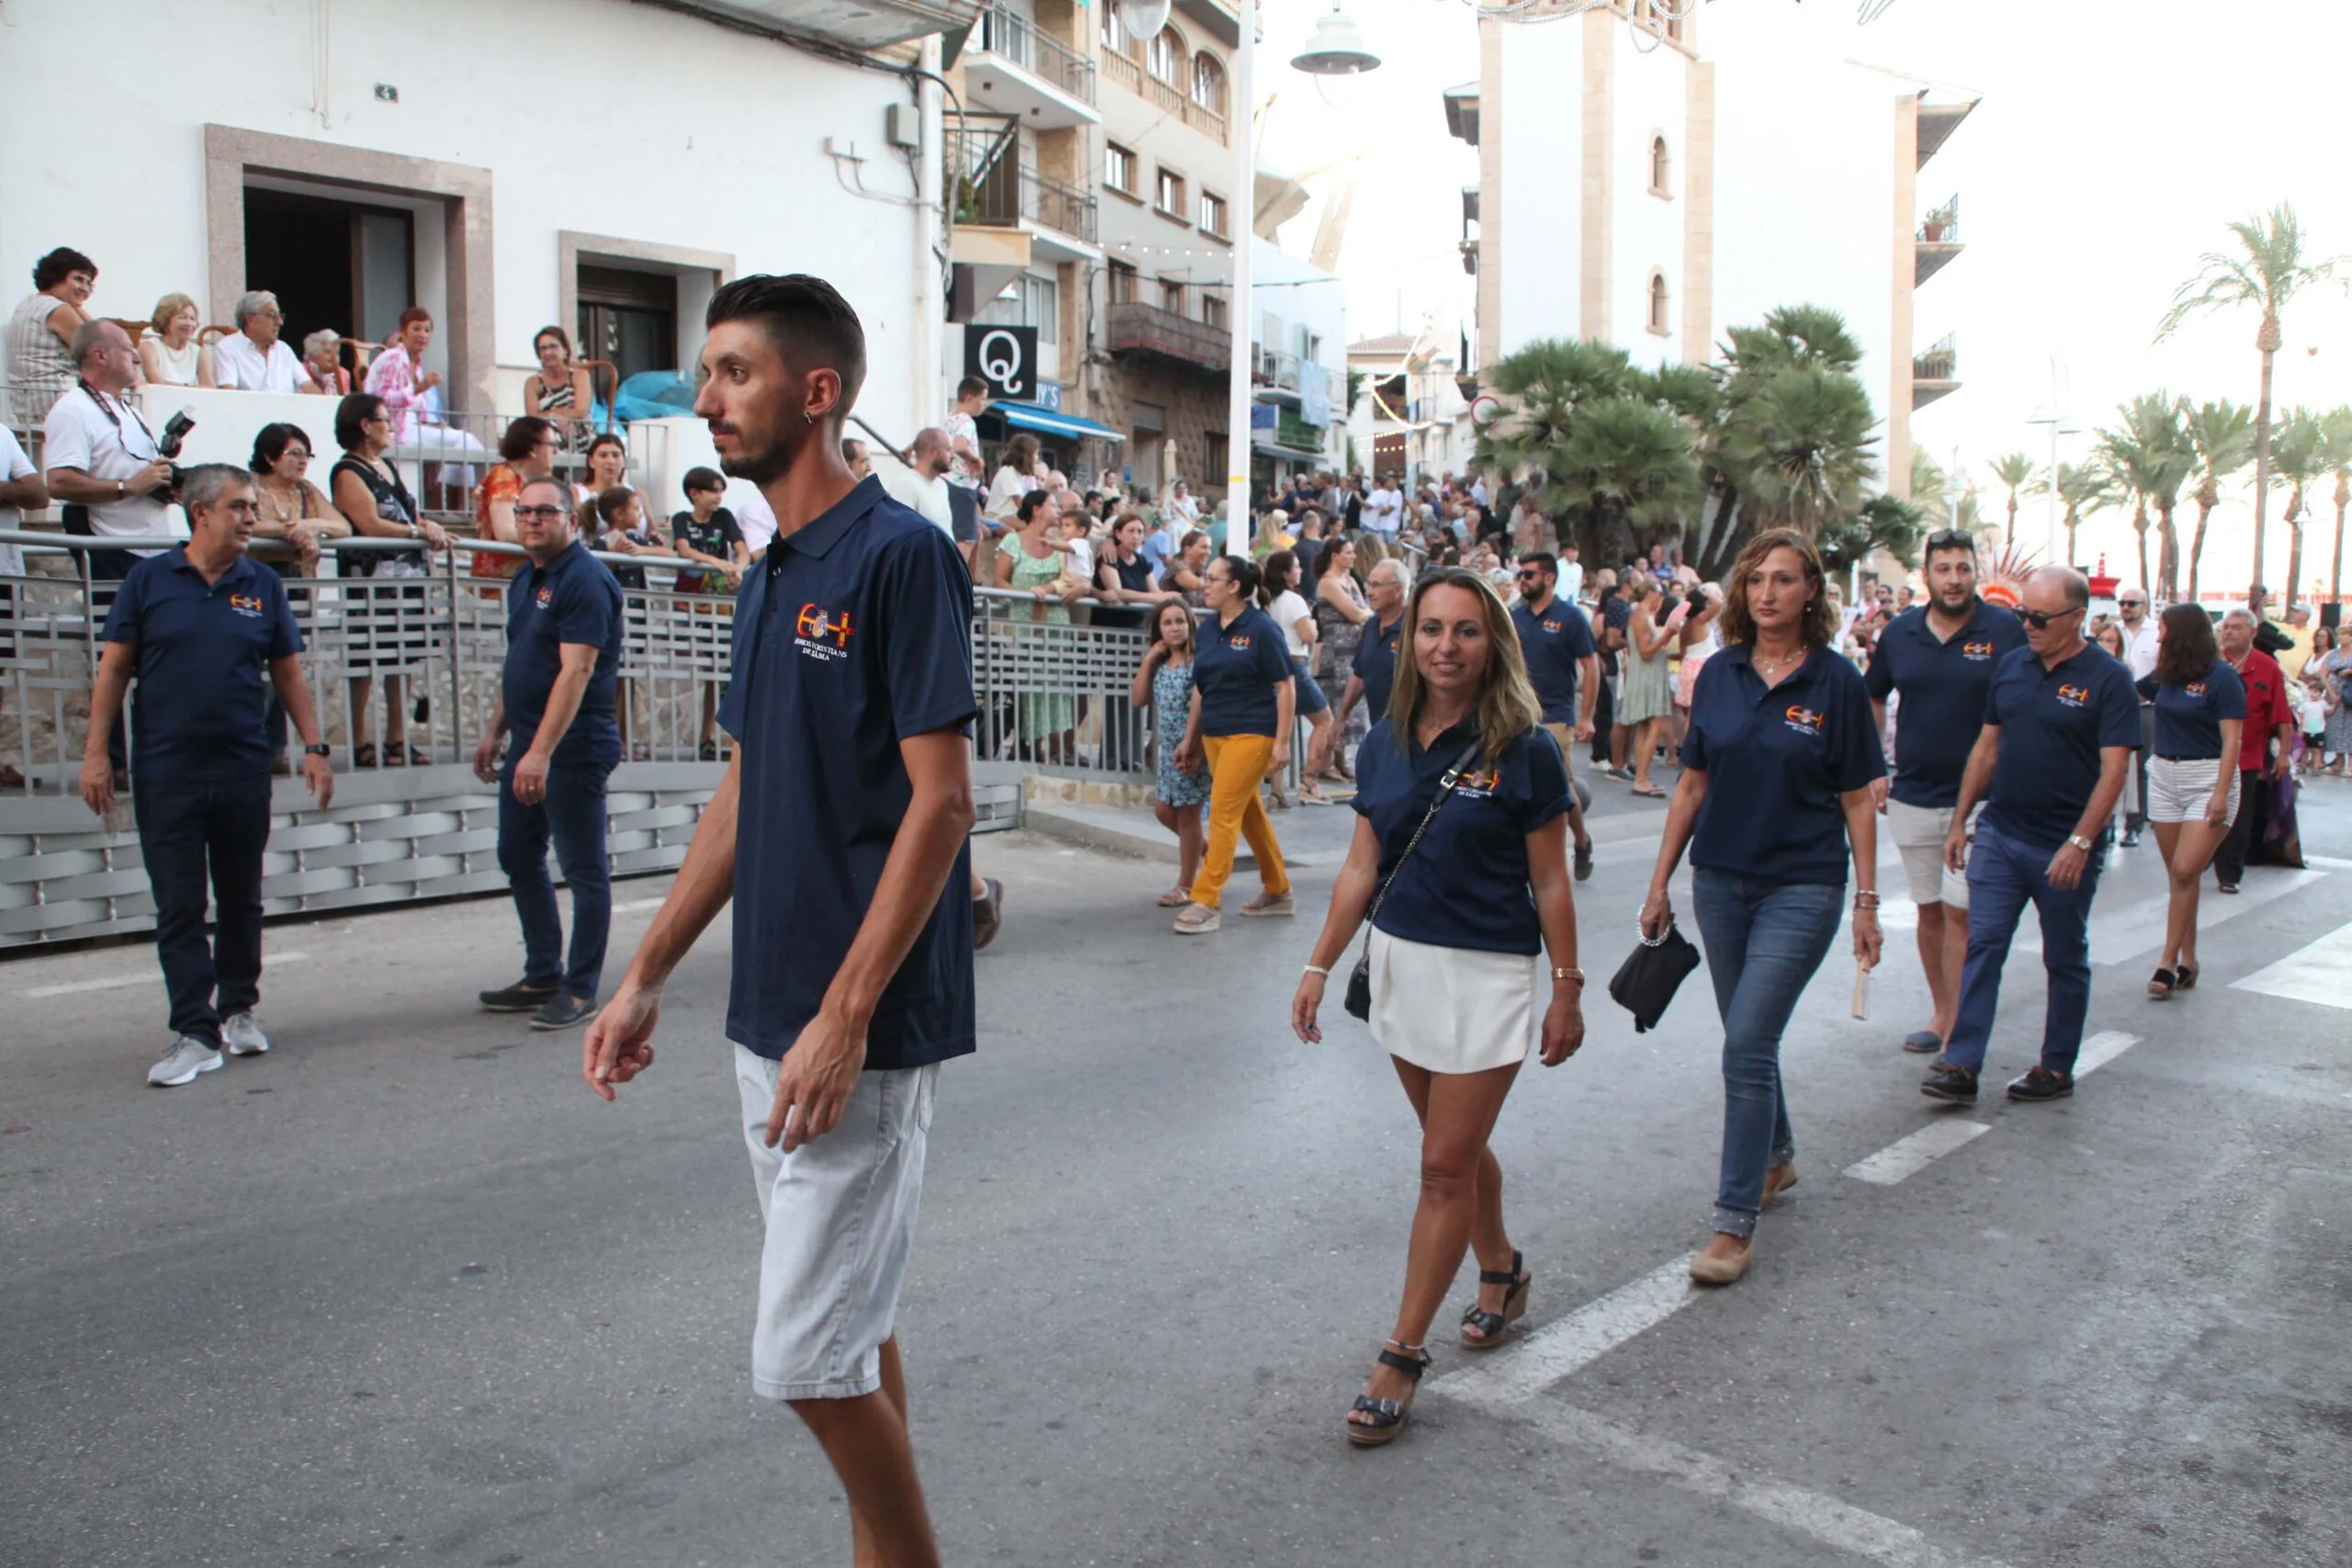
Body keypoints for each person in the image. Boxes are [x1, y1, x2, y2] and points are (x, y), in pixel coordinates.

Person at [582, 274, 977, 1568]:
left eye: (733, 372)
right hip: (766, 1013)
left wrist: (847, 1015)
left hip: (852, 1028)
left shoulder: (900, 554)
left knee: (803, 1359)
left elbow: (941, 803)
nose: (704, 399)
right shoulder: (767, 573)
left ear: (817, 393)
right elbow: (744, 795)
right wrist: (645, 971)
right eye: (705, 372)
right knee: (848, 1330)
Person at [1291, 567, 1584, 1446]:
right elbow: (1359, 868)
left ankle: (1402, 1353)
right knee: (1450, 1151)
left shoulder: (1524, 745)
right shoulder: (1383, 741)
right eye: (1430, 629)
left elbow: (1550, 878)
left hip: (1489, 972)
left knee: (1441, 1167)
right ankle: (1500, 1265)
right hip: (1402, 962)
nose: (1445, 646)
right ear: (1408, 638)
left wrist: (1566, 988)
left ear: (1492, 640)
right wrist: (1317, 963)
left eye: (1463, 629)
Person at [1640, 529, 1884, 1285]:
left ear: (1812, 590)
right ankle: (1776, 1157)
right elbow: (1691, 785)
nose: (1769, 592)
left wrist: (1866, 901)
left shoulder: (1837, 682)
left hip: (1803, 886)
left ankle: (1732, 1221)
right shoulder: (1717, 674)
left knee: (1745, 1042)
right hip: (1719, 882)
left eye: (1785, 580)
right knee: (1749, 1038)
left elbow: (1856, 798)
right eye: (1757, 581)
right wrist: (1660, 883)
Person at [78, 465, 335, 1087]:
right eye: (241, 507)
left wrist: (315, 745)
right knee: (180, 903)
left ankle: (238, 1008)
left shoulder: (263, 584)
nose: (253, 518)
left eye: (253, 507)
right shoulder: (147, 580)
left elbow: (288, 671)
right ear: (201, 513)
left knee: (241, 894)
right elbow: (112, 672)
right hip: (166, 769)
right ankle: (195, 1031)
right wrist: (95, 754)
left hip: (243, 765)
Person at [1922, 567, 2140, 1107]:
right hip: (2000, 832)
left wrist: (2081, 843)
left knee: (2063, 956)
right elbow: (1987, 746)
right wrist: (1961, 819)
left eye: (2040, 618)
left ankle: (2056, 1066)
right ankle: (1961, 1062)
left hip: (2064, 844)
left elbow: (2114, 772)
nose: (2028, 626)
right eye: (2023, 615)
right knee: (1983, 943)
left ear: (2076, 617)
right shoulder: (2013, 665)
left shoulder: (2108, 679)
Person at [1862, 529, 2027, 1056]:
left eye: (1963, 568)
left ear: (1975, 571)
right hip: (1912, 794)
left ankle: (1959, 1021)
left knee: (1962, 912)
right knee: (1929, 910)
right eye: (1944, 569)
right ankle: (1942, 1010)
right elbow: (1873, 695)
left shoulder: (2006, 630)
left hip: (1982, 801)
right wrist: (1875, 768)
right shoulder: (1901, 633)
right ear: (1926, 575)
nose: (1954, 579)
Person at [469, 478, 624, 1031]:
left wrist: (540, 753)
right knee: (517, 854)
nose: (532, 520)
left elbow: (576, 670)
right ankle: (542, 971)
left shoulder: (585, 580)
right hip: (529, 743)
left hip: (572, 748)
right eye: (524, 511)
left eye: (545, 512)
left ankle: (580, 988)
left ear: (571, 521)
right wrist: (496, 730)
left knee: (583, 868)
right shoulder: (526, 579)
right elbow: (523, 664)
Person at [1171, 555, 1296, 934]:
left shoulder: (1262, 629)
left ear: (1234, 586)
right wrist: (1190, 738)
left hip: (1252, 732)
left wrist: (1282, 742)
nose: (1203, 584)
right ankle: (1278, 890)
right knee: (1248, 814)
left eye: (1212, 578)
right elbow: (1201, 688)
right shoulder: (1208, 629)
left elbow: (1285, 686)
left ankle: (1206, 898)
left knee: (1223, 812)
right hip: (1215, 733)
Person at [330, 391, 451, 766]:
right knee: (367, 657)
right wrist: (416, 534)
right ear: (365, 426)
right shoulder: (348, 471)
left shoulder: (386, 466)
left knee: (404, 655)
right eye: (384, 418)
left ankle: (398, 737)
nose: (390, 426)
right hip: (373, 577)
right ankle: (359, 740)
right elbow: (368, 523)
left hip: (407, 575)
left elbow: (407, 514)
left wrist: (425, 525)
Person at [2134, 604, 2245, 997]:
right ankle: (2189, 960)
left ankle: (2166, 962)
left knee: (2184, 870)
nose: (2158, 636)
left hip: (2207, 777)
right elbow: (2129, 690)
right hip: (2164, 776)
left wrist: (2220, 791)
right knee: (2182, 876)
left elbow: (2233, 739)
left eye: (2163, 629)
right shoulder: (2165, 676)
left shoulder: (2222, 678)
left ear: (2181, 633)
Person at [43, 321, 180, 581]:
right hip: (112, 548)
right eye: (129, 349)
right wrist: (127, 487)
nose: (138, 357)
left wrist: (164, 485)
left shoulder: (131, 411)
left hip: (154, 548)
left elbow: (135, 473)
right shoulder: (73, 409)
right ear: (100, 356)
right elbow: (59, 482)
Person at [1509, 550, 1600, 880]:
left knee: (1561, 786)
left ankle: (1580, 841)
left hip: (1556, 714)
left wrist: (1586, 715)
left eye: (1529, 574)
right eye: (1520, 574)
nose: (1522, 580)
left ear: (1549, 578)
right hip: (1516, 714)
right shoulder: (1514, 616)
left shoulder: (1570, 617)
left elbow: (1591, 665)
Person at [2210, 607, 2299, 895]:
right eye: (2227, 627)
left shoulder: (2267, 667)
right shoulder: (2211, 664)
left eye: (2237, 627)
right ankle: (2201, 858)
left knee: (2239, 816)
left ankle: (2229, 873)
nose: (2230, 632)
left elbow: (2282, 715)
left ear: (2253, 632)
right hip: (2209, 754)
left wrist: (2284, 754)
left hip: (2247, 758)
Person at [1133, 599, 1212, 906]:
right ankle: (1214, 857)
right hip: (1168, 749)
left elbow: (1203, 701)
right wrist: (1149, 658)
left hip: (1193, 747)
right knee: (1164, 812)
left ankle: (1186, 885)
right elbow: (1138, 700)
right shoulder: (1162, 664)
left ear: (1190, 624)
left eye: (1180, 621)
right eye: (1167, 623)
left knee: (1188, 815)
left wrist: (1194, 744)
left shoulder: (1198, 661)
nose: (1174, 628)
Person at [996, 488, 1083, 762]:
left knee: (1059, 686)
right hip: (1025, 624)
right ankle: (1029, 746)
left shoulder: (1061, 543)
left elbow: (1074, 576)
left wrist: (1049, 588)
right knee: (1029, 687)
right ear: (1037, 509)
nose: (1058, 511)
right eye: (1053, 505)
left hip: (1057, 625)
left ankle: (1058, 749)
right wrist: (1025, 595)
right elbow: (999, 580)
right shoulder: (1013, 540)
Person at [0, 423, 51, 787]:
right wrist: (10, 492)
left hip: (4, 572)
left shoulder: (1, 434)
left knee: (0, 670)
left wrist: (8, 490)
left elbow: (37, 493)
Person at [246, 422, 349, 578]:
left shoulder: (307, 490)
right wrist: (285, 530)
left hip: (300, 585)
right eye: (295, 453)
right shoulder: (247, 486)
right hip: (255, 581)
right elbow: (238, 524)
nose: (303, 461)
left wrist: (313, 525)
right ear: (270, 458)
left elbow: (343, 527)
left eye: (307, 455)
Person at [8, 246, 96, 423]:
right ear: (55, 280)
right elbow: (101, 351)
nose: (85, 289)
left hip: (28, 403)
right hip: (56, 401)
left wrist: (76, 306)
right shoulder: (57, 309)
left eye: (89, 283)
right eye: (78, 279)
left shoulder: (29, 303)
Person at [1616, 578, 1684, 795]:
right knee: (1655, 725)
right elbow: (1645, 652)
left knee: (1647, 727)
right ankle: (1641, 778)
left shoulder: (1644, 616)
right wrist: (1668, 634)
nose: (1661, 599)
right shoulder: (1640, 616)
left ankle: (1641, 778)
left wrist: (1670, 652)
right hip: (1646, 677)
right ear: (1650, 594)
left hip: (1650, 674)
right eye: (1659, 594)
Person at [475, 416, 560, 587]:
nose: (556, 451)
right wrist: (553, 539)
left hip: (526, 581)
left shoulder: (536, 481)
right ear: (534, 447)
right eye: (552, 444)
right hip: (501, 586)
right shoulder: (503, 477)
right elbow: (506, 532)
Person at [1337, 558, 1410, 743]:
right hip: (1380, 727)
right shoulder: (1371, 626)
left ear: (1398, 590)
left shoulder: (1415, 627)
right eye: (1368, 584)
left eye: (1376, 586)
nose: (1369, 592)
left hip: (1410, 731)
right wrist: (1341, 717)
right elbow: (1360, 674)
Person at [2111, 587, 2160, 845]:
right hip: (2111, 708)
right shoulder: (2114, 630)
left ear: (2145, 605)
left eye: (2131, 603)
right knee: (2108, 764)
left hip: (2145, 708)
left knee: (2139, 768)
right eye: (2122, 603)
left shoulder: (2156, 633)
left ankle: (2134, 825)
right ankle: (2106, 823)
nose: (2126, 607)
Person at [362, 307, 443, 442]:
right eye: (416, 329)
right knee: (465, 441)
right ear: (402, 331)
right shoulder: (392, 357)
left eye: (427, 330)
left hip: (414, 430)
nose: (423, 335)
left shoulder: (416, 365)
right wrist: (418, 388)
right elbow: (378, 400)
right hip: (394, 431)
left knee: (460, 444)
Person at [211, 291, 303, 393]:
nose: (279, 322)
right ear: (251, 320)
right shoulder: (227, 348)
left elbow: (308, 386)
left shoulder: (284, 349)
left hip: (287, 408)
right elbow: (228, 395)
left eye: (279, 316)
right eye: (271, 315)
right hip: (248, 409)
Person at [524, 324, 597, 446]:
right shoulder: (532, 383)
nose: (548, 352)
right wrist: (556, 417)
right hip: (547, 438)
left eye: (553, 347)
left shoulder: (579, 376)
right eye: (543, 348)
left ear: (565, 350)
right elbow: (532, 418)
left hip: (581, 434)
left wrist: (551, 413)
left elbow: (581, 412)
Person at [892, 428, 959, 542]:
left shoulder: (942, 485)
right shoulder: (905, 485)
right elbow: (900, 536)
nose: (953, 456)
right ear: (933, 452)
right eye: (948, 450)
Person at [139, 294, 213, 389]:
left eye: (192, 319)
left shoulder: (198, 352)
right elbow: (156, 383)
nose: (189, 324)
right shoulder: (150, 347)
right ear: (165, 321)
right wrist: (191, 388)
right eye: (182, 317)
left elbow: (210, 388)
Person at [943, 374, 990, 497]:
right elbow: (959, 447)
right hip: (962, 484)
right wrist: (976, 459)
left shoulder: (947, 419)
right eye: (983, 399)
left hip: (946, 479)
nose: (985, 404)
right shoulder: (966, 421)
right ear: (969, 398)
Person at [2318, 624, 2352, 775]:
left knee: (2350, 728)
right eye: (2339, 635)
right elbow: (2323, 674)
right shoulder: (2333, 654)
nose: (2341, 638)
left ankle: (2351, 765)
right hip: (2334, 693)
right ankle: (2339, 762)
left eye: (2344, 635)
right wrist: (2331, 692)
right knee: (2334, 727)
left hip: (2350, 694)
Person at [296, 329, 351, 397]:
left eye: (337, 353)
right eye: (327, 352)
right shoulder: (300, 370)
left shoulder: (343, 373)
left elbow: (345, 402)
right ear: (313, 355)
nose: (334, 357)